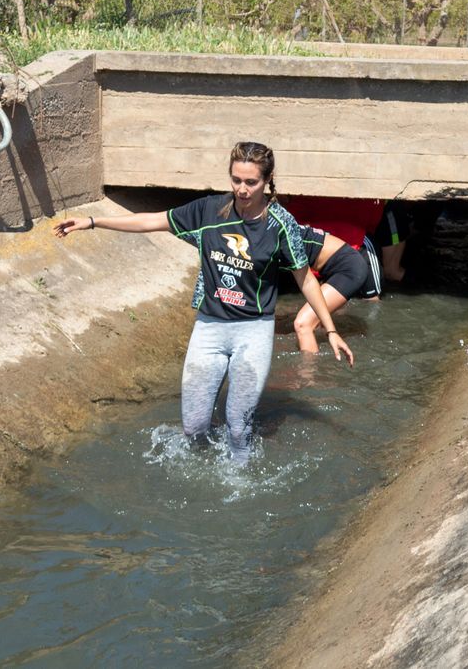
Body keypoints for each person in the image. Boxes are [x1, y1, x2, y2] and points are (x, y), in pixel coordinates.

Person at [53, 141, 354, 462]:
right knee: (194, 427)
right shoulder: (209, 210)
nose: (242, 189)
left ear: (267, 181)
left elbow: (305, 278)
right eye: (236, 180)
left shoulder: (281, 225)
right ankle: (202, 471)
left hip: (253, 331)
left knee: (238, 426)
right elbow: (151, 220)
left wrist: (331, 330)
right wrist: (93, 221)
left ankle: (240, 482)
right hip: (209, 328)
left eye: (251, 182)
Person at [289, 221, 382, 352]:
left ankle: (309, 371)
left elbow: (307, 281)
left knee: (303, 324)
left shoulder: (278, 230)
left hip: (350, 267)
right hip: (329, 266)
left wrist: (331, 330)